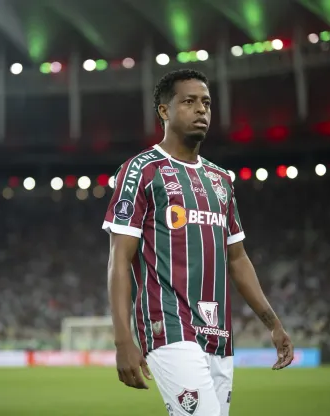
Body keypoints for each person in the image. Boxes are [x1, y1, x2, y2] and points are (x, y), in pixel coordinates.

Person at [103, 69, 294, 415]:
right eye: (189, 102)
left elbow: (237, 260)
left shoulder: (220, 180)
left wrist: (273, 324)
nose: (201, 110)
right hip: (169, 324)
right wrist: (122, 339)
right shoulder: (141, 171)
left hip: (218, 332)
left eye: (206, 102)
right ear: (164, 111)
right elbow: (119, 259)